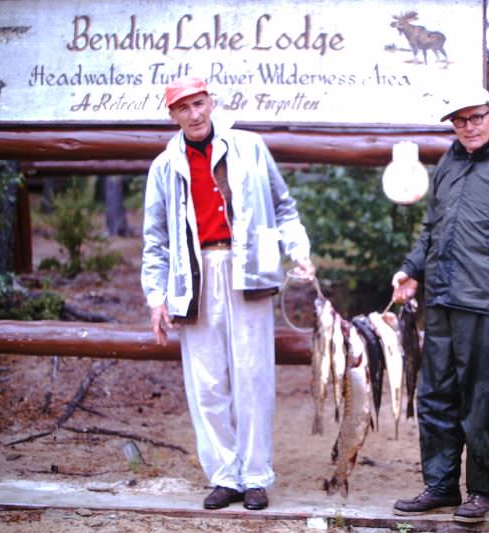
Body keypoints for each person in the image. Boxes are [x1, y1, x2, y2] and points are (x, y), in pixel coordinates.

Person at [141, 76, 315, 511]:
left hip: (248, 267)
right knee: (207, 383)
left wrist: (298, 251)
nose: (195, 114)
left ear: (211, 102)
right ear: (173, 116)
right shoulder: (165, 165)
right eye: (184, 108)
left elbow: (284, 206)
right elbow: (155, 238)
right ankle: (225, 476)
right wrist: (156, 296)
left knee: (253, 375)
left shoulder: (249, 146)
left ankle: (255, 476)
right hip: (194, 275)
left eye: (199, 104)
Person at [390, 86, 489, 523]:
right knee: (436, 395)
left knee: (483, 400)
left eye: (476, 117)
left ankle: (480, 491)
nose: (468, 126)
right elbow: (432, 229)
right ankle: (441, 486)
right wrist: (411, 270)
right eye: (459, 120)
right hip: (441, 298)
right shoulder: (449, 161)